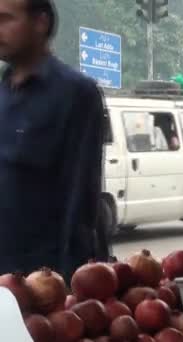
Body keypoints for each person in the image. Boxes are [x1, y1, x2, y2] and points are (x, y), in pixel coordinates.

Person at [0, 0, 106, 279]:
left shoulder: (76, 94)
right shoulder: (3, 95)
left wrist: (71, 287)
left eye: (5, 19)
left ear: (40, 22)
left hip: (40, 285)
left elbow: (81, 201)